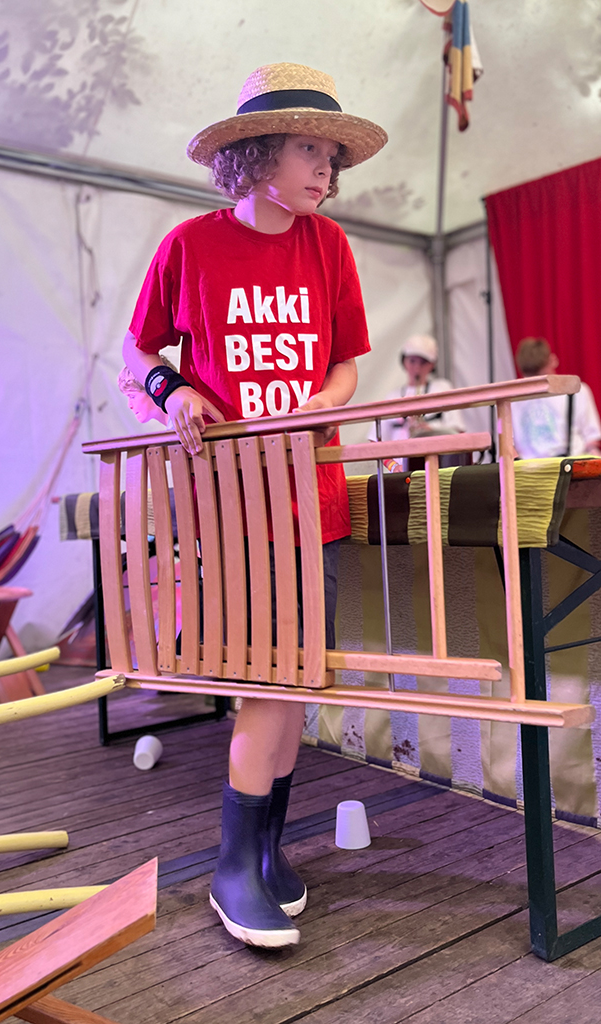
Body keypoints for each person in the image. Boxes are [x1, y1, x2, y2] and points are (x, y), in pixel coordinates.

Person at [121, 62, 387, 948]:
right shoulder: (189, 246)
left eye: (330, 156)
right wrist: (173, 392)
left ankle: (266, 851)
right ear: (257, 154)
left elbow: (345, 361)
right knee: (265, 686)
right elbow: (137, 351)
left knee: (297, 682)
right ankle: (231, 866)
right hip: (236, 507)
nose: (324, 169)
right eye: (309, 150)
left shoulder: (329, 245)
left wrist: (324, 400)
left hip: (317, 498)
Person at [511, 337, 601, 458]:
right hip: (529, 467)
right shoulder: (511, 400)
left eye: (541, 375)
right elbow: (509, 447)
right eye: (531, 377)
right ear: (552, 360)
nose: (536, 382)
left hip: (570, 464)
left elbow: (592, 439)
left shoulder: (577, 390)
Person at [370, 334, 465, 444]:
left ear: (432, 365)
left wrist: (431, 430)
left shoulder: (442, 388)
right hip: (400, 453)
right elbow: (375, 439)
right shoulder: (392, 396)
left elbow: (458, 430)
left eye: (423, 362)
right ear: (404, 361)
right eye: (412, 361)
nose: (417, 368)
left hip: (435, 450)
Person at [117, 360, 174, 426]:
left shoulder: (179, 426)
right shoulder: (176, 425)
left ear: (153, 388)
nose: (129, 405)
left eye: (132, 396)